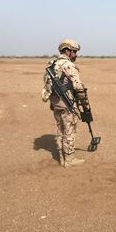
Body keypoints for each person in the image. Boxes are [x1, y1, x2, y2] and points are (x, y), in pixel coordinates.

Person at [42, 39, 86, 168]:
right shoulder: (68, 65)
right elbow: (78, 86)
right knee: (69, 131)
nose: (75, 54)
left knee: (60, 129)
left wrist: (51, 102)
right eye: (74, 52)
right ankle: (69, 159)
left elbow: (47, 85)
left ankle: (61, 157)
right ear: (67, 51)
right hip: (67, 104)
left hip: (56, 103)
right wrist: (83, 103)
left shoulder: (52, 64)